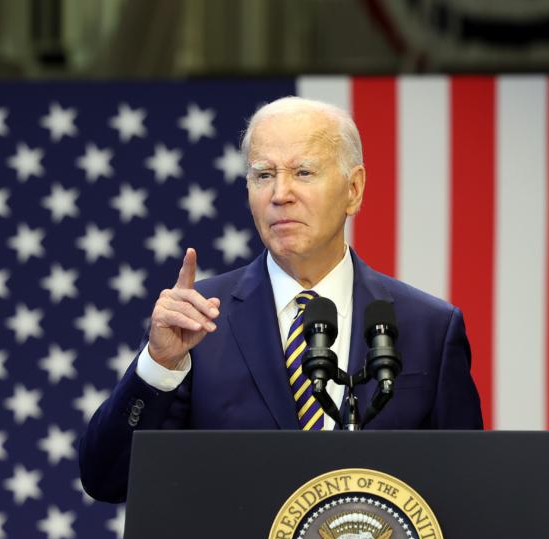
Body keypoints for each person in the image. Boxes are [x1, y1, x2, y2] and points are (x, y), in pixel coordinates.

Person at [79, 96, 483, 503]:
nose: (281, 194)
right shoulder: (199, 319)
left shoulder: (428, 328)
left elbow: (468, 491)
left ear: (353, 189)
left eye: (303, 172)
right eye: (263, 175)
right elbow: (107, 479)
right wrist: (158, 366)